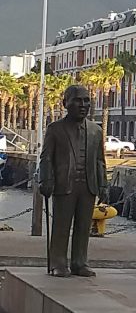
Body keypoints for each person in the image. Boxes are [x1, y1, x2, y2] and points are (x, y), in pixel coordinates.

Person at [39, 84, 108, 278]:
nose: (83, 105)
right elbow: (46, 158)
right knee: (61, 226)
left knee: (83, 226)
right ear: (66, 103)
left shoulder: (96, 130)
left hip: (88, 185)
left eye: (86, 101)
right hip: (64, 184)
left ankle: (79, 262)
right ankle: (58, 262)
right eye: (78, 100)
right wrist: (46, 180)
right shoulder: (55, 129)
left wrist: (103, 183)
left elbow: (100, 160)